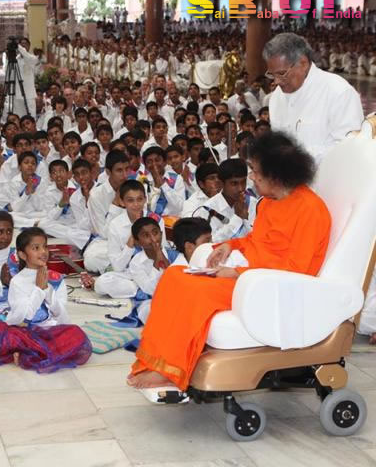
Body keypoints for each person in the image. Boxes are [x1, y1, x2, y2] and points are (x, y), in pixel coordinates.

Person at [128, 133, 332, 391]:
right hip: (248, 274)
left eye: (256, 172)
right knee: (173, 276)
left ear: (277, 175)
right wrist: (228, 246)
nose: (253, 179)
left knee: (194, 291)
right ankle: (157, 362)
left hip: (268, 287)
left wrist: (236, 274)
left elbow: (295, 272)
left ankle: (173, 371)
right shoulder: (270, 202)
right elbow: (255, 241)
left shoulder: (311, 211)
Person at [264, 33, 363, 163]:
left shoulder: (339, 92)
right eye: (272, 75)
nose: (276, 81)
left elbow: (348, 150)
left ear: (303, 63)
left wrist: (296, 157)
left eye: (282, 73)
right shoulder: (277, 97)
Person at [5, 227, 68, 328]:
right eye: (36, 248)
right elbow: (22, 319)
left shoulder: (56, 279)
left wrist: (47, 290)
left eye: (45, 246)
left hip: (52, 330)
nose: (43, 251)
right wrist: (39, 290)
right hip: (26, 333)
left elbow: (60, 313)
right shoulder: (17, 282)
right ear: (22, 255)